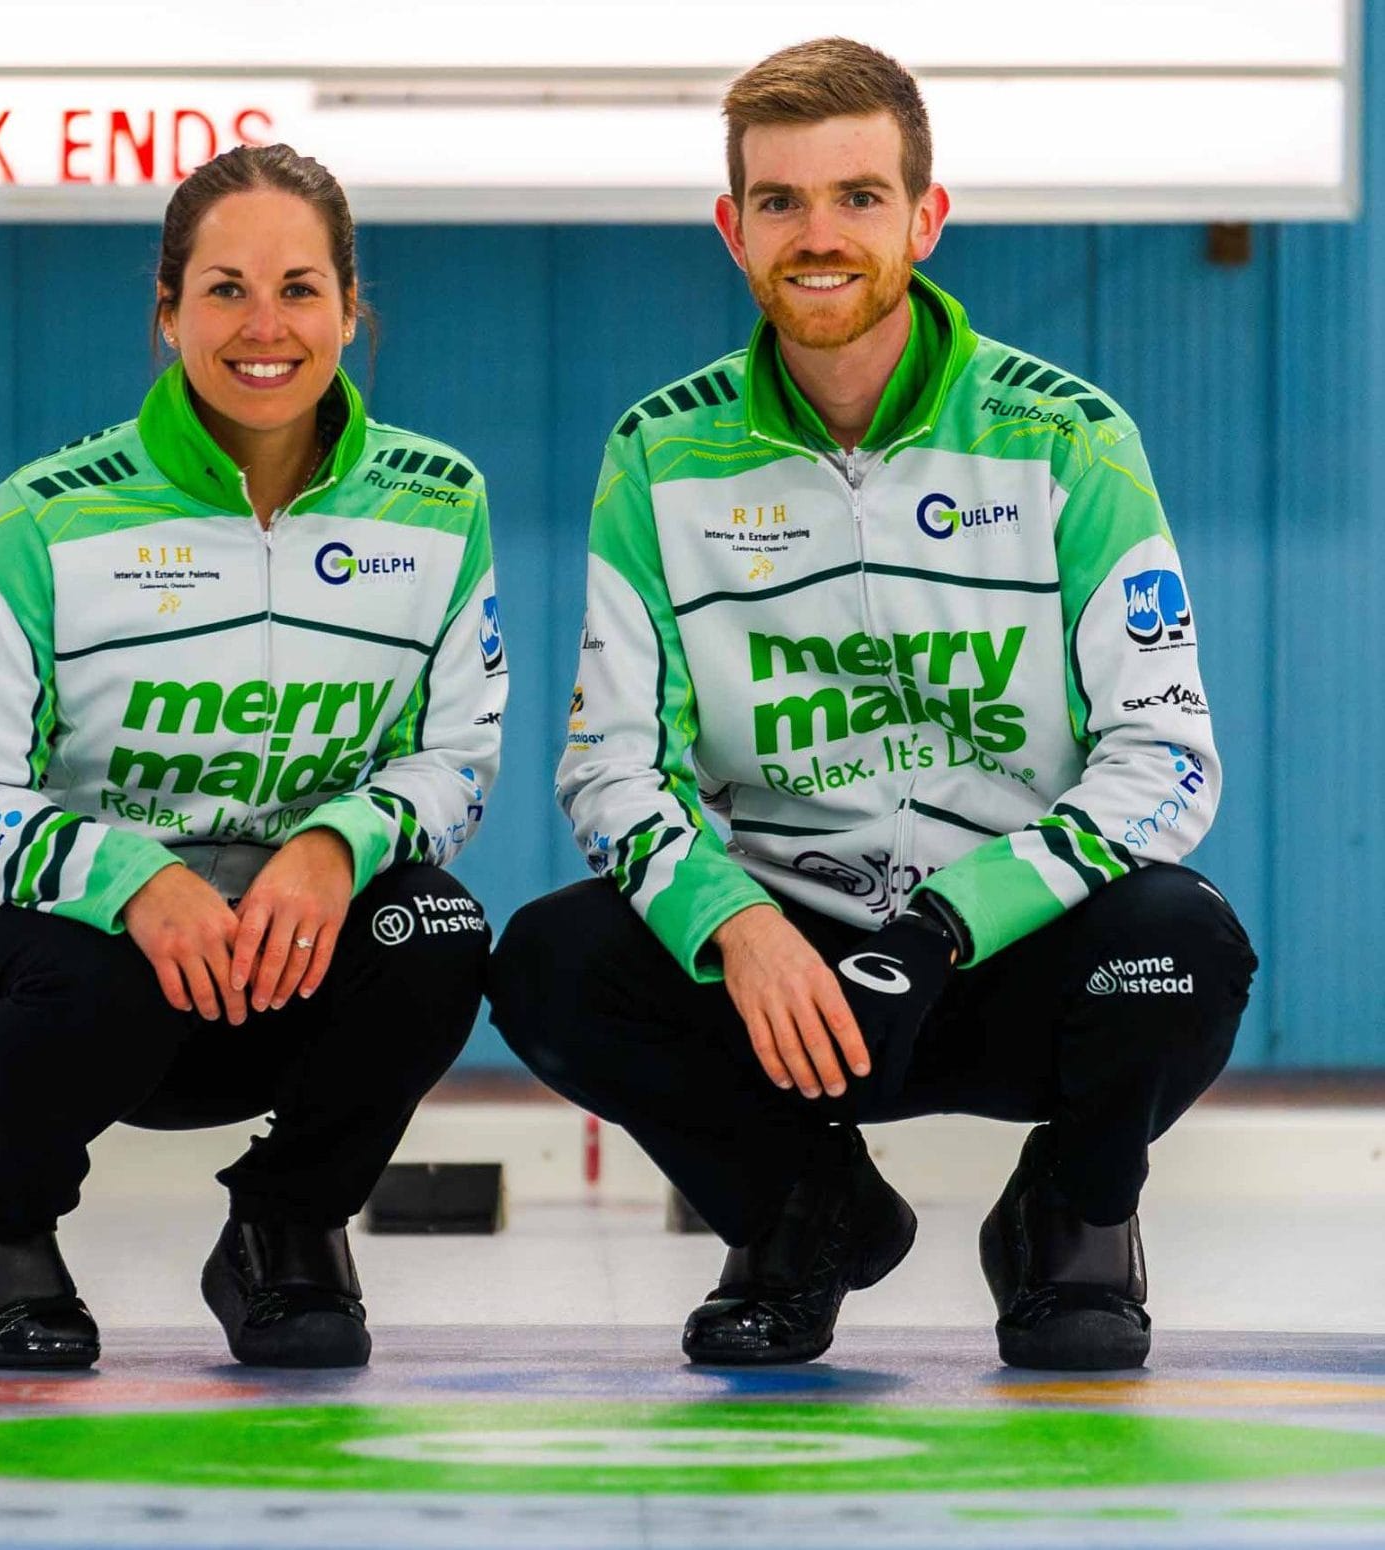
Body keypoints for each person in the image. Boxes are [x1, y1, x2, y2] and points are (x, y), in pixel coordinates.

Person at [490, 38, 1255, 1372]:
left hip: (1000, 945)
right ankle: (801, 1215)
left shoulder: (1068, 438)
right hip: (786, 972)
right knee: (550, 964)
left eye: (857, 195)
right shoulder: (658, 452)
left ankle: (1069, 1216)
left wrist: (948, 925)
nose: (818, 234)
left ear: (923, 217)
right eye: (779, 201)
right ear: (733, 229)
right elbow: (610, 765)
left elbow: (1165, 761)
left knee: (1180, 944)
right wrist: (732, 923)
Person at [0, 144, 504, 1371]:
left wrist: (337, 844)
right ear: (168, 314)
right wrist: (132, 879)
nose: (265, 326)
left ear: (349, 309)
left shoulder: (437, 503)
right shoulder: (49, 512)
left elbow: (458, 758)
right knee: (100, 965)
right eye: (225, 289)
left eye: (300, 288)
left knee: (435, 928)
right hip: (18, 968)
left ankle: (286, 1229)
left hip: (265, 960)